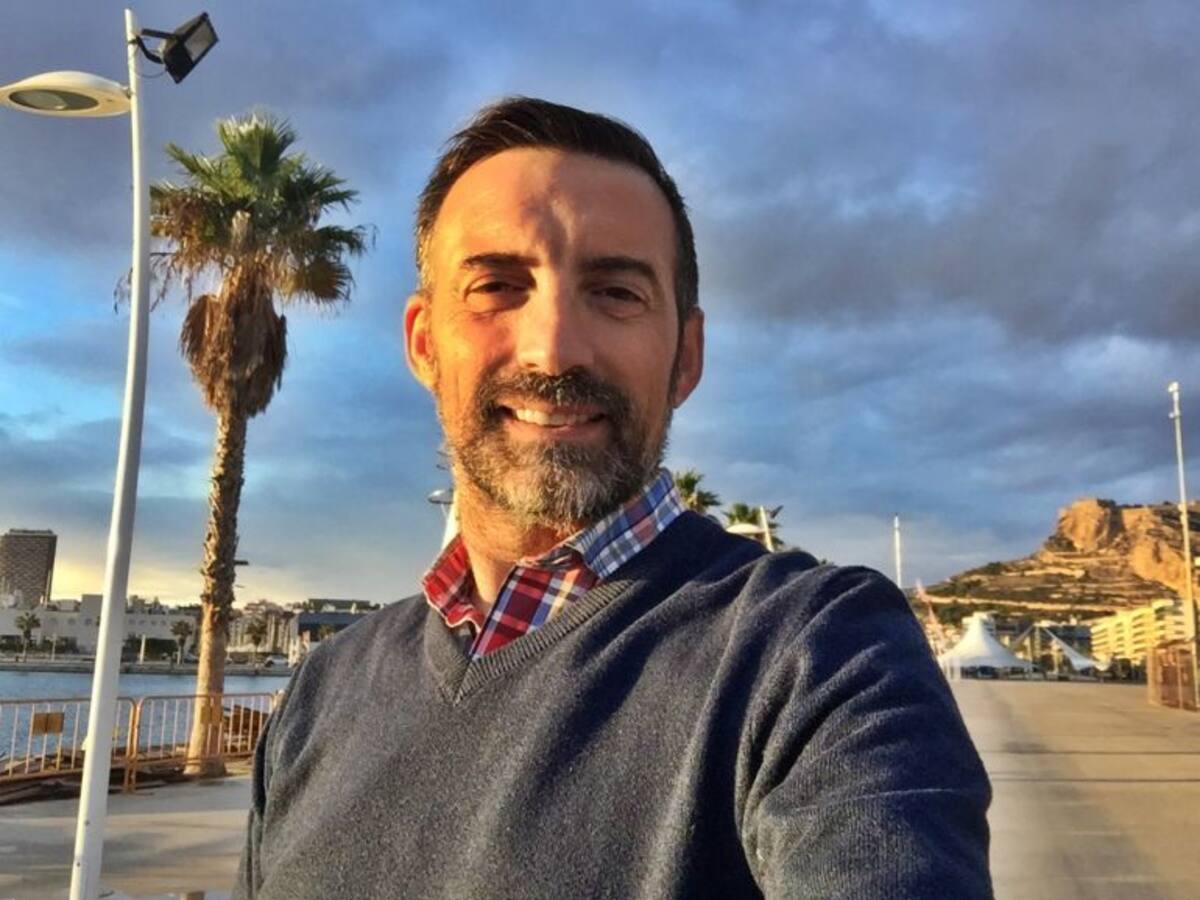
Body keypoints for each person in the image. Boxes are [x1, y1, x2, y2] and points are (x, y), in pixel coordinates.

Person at [233, 97, 992, 899]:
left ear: (686, 356)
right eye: (497, 285)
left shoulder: (820, 657)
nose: (554, 348)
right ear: (424, 343)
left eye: (617, 293)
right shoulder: (321, 694)